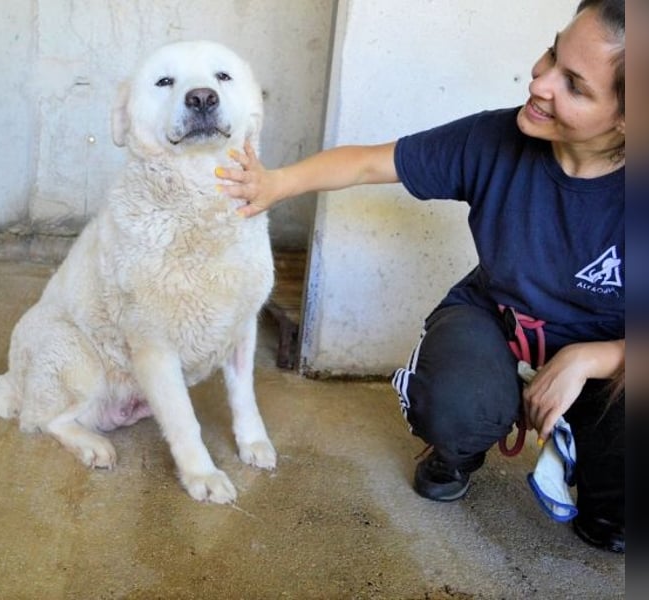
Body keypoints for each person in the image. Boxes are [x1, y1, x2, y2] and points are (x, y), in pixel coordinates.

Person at [216, 0, 625, 553]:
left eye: (574, 85)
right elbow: (371, 162)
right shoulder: (497, 140)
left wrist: (588, 359)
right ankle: (459, 447)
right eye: (552, 54)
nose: (539, 81)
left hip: (617, 357)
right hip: (500, 319)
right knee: (458, 402)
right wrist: (276, 183)